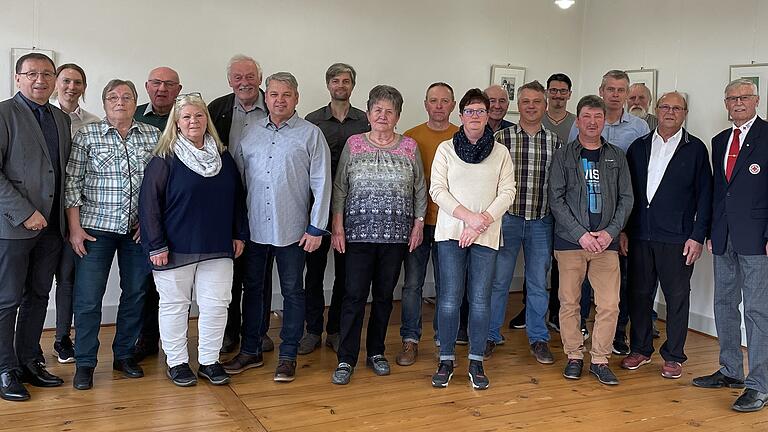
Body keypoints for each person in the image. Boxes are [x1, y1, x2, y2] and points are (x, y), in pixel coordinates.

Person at [222, 72, 331, 383]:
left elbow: (322, 184)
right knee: (253, 290)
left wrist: (316, 228)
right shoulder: (250, 134)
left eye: (286, 94)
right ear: (265, 98)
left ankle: (288, 356)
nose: (279, 100)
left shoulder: (311, 135)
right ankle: (251, 350)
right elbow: (238, 184)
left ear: (296, 98)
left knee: (293, 292)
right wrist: (236, 228)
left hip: (294, 231)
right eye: (273, 94)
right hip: (255, 229)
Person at [139, 93, 249, 387]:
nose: (193, 121)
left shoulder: (223, 157)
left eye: (198, 116)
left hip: (218, 244)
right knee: (175, 305)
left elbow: (238, 199)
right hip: (173, 247)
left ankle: (209, 361)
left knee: (216, 305)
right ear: (176, 123)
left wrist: (239, 233)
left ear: (206, 120)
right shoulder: (164, 160)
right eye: (186, 117)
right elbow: (148, 206)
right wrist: (156, 245)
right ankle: (176, 362)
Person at [65, 79, 160, 390]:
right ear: (104, 102)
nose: (120, 101)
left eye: (127, 97)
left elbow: (160, 187)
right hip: (94, 231)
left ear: (136, 101)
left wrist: (149, 224)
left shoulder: (152, 135)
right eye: (113, 97)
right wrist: (75, 229)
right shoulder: (86, 134)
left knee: (135, 294)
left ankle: (123, 355)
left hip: (136, 233)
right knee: (89, 299)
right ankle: (85, 363)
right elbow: (72, 184)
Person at [330, 85, 427, 385]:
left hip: (396, 237)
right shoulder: (354, 144)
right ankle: (346, 358)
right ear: (369, 113)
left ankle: (376, 352)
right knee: (353, 297)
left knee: (384, 297)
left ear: (398, 115)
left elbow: (420, 188)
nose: (383, 116)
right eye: (378, 110)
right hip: (357, 235)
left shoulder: (409, 147)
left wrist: (418, 224)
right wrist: (338, 225)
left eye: (389, 111)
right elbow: (340, 187)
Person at [621, 91, 712, 379]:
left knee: (676, 298)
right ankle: (640, 349)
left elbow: (706, 197)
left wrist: (698, 236)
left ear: (685, 113)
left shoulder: (695, 149)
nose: (670, 112)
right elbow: (627, 194)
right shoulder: (638, 146)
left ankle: (673, 356)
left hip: (678, 238)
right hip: (639, 236)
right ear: (656, 110)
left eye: (677, 108)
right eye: (665, 107)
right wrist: (623, 230)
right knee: (639, 295)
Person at [430, 88, 515, 390]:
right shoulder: (445, 149)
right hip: (451, 234)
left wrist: (481, 223)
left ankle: (476, 361)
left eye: (481, 110)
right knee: (450, 301)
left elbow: (507, 193)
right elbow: (437, 190)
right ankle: (446, 359)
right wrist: (469, 218)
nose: (475, 116)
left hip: (486, 235)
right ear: (461, 115)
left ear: (487, 114)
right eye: (470, 111)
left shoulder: (501, 152)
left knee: (480, 301)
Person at [693, 78, 768, 413]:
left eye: (744, 97)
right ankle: (730, 371)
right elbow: (717, 191)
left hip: (756, 239)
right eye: (732, 98)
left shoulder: (767, 136)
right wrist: (710, 230)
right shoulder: (720, 139)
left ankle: (760, 385)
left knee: (756, 311)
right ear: (725, 104)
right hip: (723, 237)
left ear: (756, 100)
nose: (738, 102)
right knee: (724, 304)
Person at [549, 95, 633, 386]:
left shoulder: (617, 156)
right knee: (570, 302)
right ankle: (574, 356)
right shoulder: (564, 156)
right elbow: (556, 200)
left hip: (605, 245)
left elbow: (626, 199)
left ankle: (599, 359)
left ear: (604, 120)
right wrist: (581, 234)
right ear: (578, 120)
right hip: (571, 243)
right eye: (587, 116)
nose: (593, 122)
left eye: (598, 117)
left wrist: (609, 232)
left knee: (610, 304)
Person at [0, 53, 70, 402]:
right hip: (13, 228)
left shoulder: (60, 117)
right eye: (31, 74)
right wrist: (25, 212)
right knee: (7, 300)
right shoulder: (2, 113)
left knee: (38, 296)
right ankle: (4, 367)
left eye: (47, 74)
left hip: (52, 227)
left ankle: (29, 360)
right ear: (17, 78)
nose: (40, 80)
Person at [568, 70, 650, 356]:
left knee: (618, 286)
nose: (615, 94)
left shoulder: (639, 128)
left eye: (621, 90)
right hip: (582, 224)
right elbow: (571, 178)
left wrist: (620, 227)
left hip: (618, 222)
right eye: (610, 89)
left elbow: (635, 182)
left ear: (626, 94)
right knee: (579, 290)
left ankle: (616, 336)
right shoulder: (581, 125)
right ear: (601, 90)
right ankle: (579, 334)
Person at [487, 81, 561, 363]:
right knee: (499, 281)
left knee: (537, 283)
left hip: (541, 222)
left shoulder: (556, 142)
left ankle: (538, 338)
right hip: (508, 220)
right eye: (526, 101)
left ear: (544, 106)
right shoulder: (501, 139)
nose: (531, 106)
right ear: (519, 106)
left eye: (536, 102)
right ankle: (491, 335)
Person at [300, 63, 369, 355]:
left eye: (346, 81)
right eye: (336, 81)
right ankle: (313, 329)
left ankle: (337, 329)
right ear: (328, 84)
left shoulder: (365, 121)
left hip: (353, 207)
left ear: (353, 85)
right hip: (317, 206)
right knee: (313, 272)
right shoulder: (312, 120)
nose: (341, 85)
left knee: (346, 272)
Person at [207, 55, 272, 355]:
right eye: (237, 77)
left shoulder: (274, 105)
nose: (243, 82)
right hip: (225, 203)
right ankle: (229, 332)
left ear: (260, 78)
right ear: (229, 80)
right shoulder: (216, 109)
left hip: (264, 201)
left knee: (259, 273)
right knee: (228, 270)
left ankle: (258, 332)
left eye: (249, 76)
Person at [397, 82, 460, 366]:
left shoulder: (462, 137)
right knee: (412, 285)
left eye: (444, 101)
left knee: (448, 286)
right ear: (425, 104)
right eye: (433, 100)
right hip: (417, 225)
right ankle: (410, 340)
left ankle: (441, 340)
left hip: (450, 225)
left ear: (453, 105)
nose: (438, 106)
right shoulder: (410, 138)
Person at [50, 63, 100, 364]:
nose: (71, 87)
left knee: (71, 278)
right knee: (44, 281)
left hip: (78, 213)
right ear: (57, 83)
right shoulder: (41, 116)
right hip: (44, 210)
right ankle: (38, 344)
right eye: (66, 81)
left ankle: (65, 339)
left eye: (78, 82)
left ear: (84, 87)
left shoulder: (93, 122)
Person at [133, 66, 183, 362]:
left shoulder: (187, 117)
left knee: (176, 284)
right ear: (147, 86)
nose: (162, 88)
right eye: (156, 83)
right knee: (144, 284)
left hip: (178, 216)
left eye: (169, 84)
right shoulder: (133, 115)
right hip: (144, 217)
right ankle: (146, 339)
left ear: (178, 89)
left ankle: (174, 343)